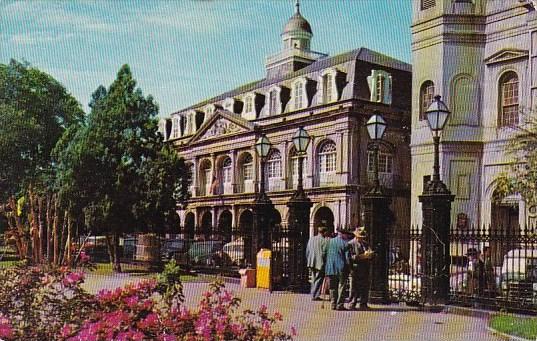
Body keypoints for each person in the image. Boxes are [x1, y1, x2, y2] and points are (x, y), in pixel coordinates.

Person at [325, 228, 353, 310]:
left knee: (332, 286)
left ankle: (333, 304)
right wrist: (350, 268)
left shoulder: (329, 242)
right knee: (341, 286)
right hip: (341, 268)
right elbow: (348, 259)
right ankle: (339, 304)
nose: (347, 236)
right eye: (347, 235)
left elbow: (325, 254)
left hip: (330, 267)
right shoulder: (346, 244)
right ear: (343, 234)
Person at [348, 227, 375, 310]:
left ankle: (363, 304)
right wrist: (361, 257)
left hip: (365, 268)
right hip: (355, 268)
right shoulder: (351, 244)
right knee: (354, 287)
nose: (362, 239)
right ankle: (352, 303)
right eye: (360, 237)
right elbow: (350, 257)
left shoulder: (366, 244)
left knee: (365, 286)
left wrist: (370, 255)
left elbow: (370, 252)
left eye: (363, 238)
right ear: (356, 236)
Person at [306, 226, 329, 301]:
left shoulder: (311, 239)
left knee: (313, 278)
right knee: (318, 279)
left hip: (311, 261)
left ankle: (314, 294)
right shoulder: (324, 240)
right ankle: (314, 294)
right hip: (320, 263)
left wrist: (308, 259)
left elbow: (307, 251)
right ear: (324, 232)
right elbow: (325, 252)